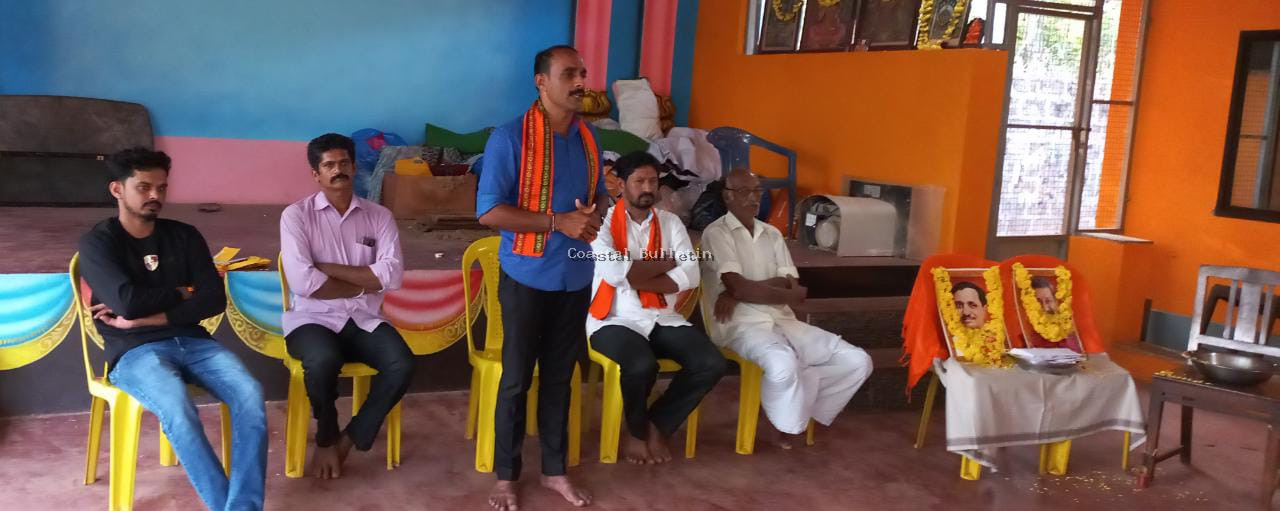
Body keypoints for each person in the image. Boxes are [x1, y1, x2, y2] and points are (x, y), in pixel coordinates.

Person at [78, 147, 267, 510]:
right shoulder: (98, 242)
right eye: (144, 187)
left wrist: (150, 316)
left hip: (194, 342)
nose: (155, 195)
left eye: (162, 188)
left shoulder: (184, 235)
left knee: (250, 396)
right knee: (178, 408)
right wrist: (182, 292)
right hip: (133, 351)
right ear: (117, 189)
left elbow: (213, 300)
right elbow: (127, 303)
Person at [476, 44, 607, 510]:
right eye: (569, 74)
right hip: (527, 276)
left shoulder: (589, 138)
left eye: (583, 73)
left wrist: (595, 214)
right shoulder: (510, 138)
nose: (580, 82)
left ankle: (554, 471)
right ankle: (506, 477)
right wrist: (557, 222)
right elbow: (489, 212)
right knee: (516, 381)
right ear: (541, 82)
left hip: (576, 276)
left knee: (559, 379)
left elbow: (602, 194)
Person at [701, 168, 871, 449]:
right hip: (740, 325)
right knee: (783, 364)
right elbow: (748, 287)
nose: (752, 198)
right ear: (727, 196)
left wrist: (741, 291)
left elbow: (791, 285)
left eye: (757, 191)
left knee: (858, 361)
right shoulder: (716, 233)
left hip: (783, 321)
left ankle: (796, 405)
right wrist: (743, 291)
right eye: (743, 192)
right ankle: (786, 423)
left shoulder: (772, 234)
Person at [279, 133, 415, 479]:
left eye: (343, 163)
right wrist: (364, 282)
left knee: (401, 364)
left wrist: (327, 268)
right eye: (329, 165)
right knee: (322, 360)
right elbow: (303, 283)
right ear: (316, 174)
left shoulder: (379, 216)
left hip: (364, 318)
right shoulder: (296, 216)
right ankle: (326, 436)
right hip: (312, 319)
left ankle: (349, 439)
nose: (337, 170)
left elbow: (392, 275)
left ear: (354, 167)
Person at [587, 151, 727, 464]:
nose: (648, 188)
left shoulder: (671, 223)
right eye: (639, 181)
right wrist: (665, 263)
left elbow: (690, 274)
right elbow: (614, 273)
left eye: (653, 180)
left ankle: (657, 424)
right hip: (614, 318)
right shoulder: (602, 224)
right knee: (641, 365)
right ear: (621, 184)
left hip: (663, 317)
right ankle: (636, 433)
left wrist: (634, 274)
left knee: (711, 363)